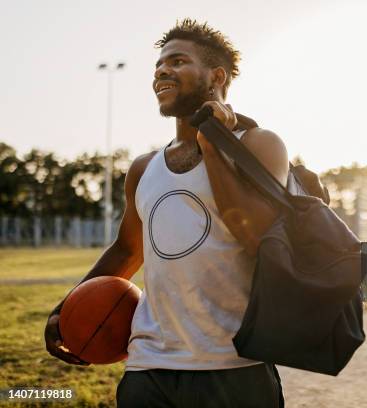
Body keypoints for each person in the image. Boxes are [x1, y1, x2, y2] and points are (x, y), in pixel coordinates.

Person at [44, 18, 288, 407]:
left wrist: (213, 143)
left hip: (234, 367)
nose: (161, 71)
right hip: (148, 370)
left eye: (177, 62)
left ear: (216, 76)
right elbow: (127, 250)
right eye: (159, 65)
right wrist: (66, 308)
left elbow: (256, 237)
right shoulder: (144, 168)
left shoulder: (259, 145)